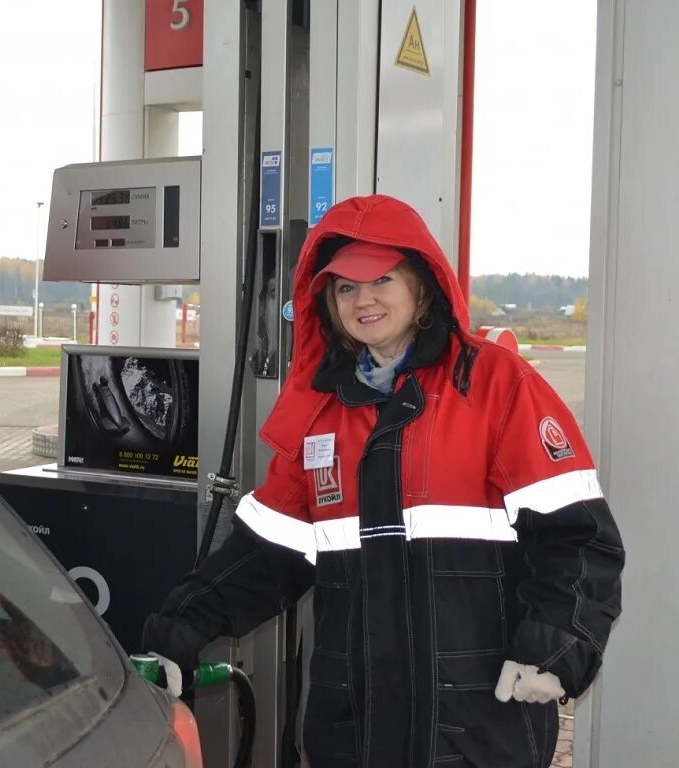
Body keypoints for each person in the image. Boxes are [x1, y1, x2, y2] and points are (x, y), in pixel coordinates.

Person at [142, 195, 624, 767]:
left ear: (421, 288)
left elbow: (578, 539)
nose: (363, 299)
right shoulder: (320, 415)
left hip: (476, 728)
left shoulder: (496, 386)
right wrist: (177, 634)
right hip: (354, 731)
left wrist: (554, 646)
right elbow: (263, 556)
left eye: (382, 280)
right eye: (344, 287)